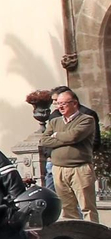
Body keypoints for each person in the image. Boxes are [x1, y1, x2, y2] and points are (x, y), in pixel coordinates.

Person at [39, 87, 99, 222]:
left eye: (64, 103)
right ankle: (74, 238)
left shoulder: (86, 120)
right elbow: (44, 140)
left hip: (80, 169)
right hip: (59, 169)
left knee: (87, 207)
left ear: (74, 103)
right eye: (58, 104)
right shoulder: (54, 121)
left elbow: (74, 136)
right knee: (67, 208)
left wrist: (56, 136)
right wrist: (62, 138)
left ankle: (92, 237)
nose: (60, 107)